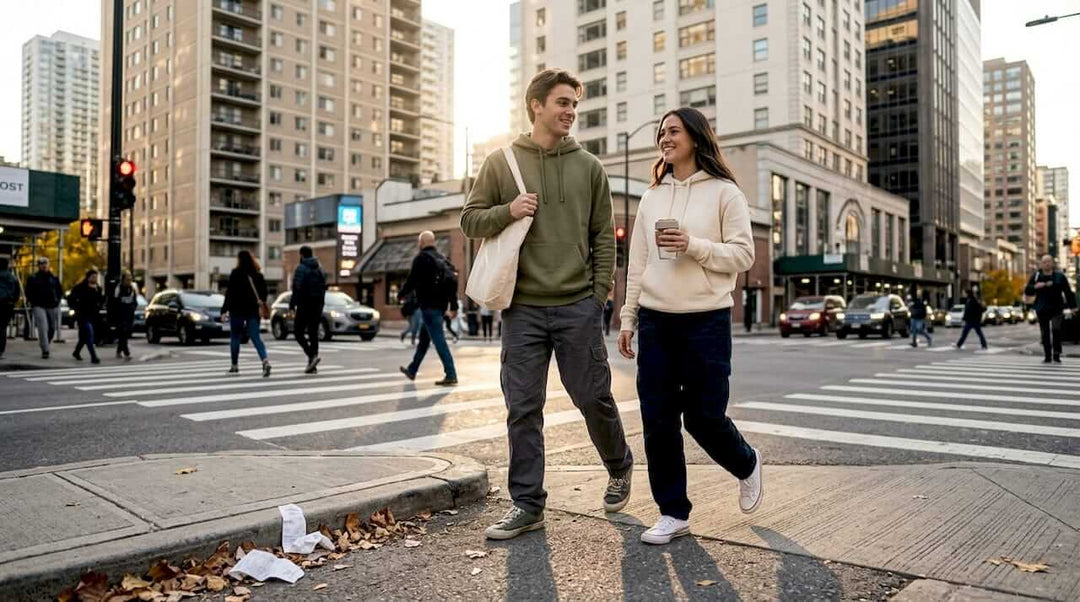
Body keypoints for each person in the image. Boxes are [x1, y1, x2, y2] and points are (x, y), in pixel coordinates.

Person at [462, 68, 634, 540]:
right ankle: (527, 504)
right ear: (536, 104)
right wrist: (508, 211)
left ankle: (619, 465)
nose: (570, 112)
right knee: (522, 407)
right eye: (562, 102)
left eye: (574, 105)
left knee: (592, 397)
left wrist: (598, 296)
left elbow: (605, 237)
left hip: (578, 304)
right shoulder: (501, 162)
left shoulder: (590, 167)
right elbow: (470, 221)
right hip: (523, 310)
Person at [616, 107, 762, 546]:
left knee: (704, 417)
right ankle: (673, 512)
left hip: (707, 321)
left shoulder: (725, 194)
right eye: (661, 131)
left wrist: (693, 245)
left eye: (673, 131)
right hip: (658, 322)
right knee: (658, 420)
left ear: (695, 138)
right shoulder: (652, 196)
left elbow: (743, 255)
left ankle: (747, 462)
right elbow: (637, 263)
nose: (664, 137)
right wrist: (628, 317)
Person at [398, 231, 458, 386]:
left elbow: (411, 280)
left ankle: (451, 374)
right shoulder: (443, 259)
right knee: (424, 340)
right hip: (440, 306)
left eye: (419, 242)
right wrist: (454, 306)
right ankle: (412, 370)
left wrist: (401, 295)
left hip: (428, 306)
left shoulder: (421, 259)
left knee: (439, 340)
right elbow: (452, 283)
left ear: (421, 243)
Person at [222, 250, 271, 376]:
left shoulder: (235, 273)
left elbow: (229, 293)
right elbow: (264, 293)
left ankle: (234, 365)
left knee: (235, 337)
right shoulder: (258, 275)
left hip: (237, 310)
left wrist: (224, 310)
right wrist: (261, 301)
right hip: (252, 310)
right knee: (255, 336)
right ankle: (265, 361)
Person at [1025, 254, 1076, 363]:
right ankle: (1047, 355)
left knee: (1056, 329)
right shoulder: (1036, 276)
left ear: (1052, 263)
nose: (1046, 264)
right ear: (1041, 264)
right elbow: (1027, 290)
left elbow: (1067, 292)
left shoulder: (1059, 276)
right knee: (1045, 333)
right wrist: (1035, 286)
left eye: (1048, 261)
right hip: (1041, 308)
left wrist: (1073, 307)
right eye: (1044, 262)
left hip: (1057, 308)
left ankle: (1056, 354)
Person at [290, 246, 327, 374]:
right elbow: (324, 287)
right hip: (317, 305)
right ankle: (312, 365)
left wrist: (292, 305)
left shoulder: (301, 268)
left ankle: (312, 356)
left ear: (301, 255)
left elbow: (296, 287)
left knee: (298, 332)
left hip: (304, 304)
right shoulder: (320, 268)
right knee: (313, 332)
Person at [25, 257, 64, 359]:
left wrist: (57, 301)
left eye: (45, 263)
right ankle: (45, 349)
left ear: (48, 264)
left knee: (52, 327)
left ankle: (46, 341)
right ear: (38, 266)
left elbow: (59, 290)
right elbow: (28, 291)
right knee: (43, 327)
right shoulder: (33, 278)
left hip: (52, 305)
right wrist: (32, 301)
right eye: (41, 263)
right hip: (39, 305)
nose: (43, 265)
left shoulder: (54, 277)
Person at [68, 269, 103, 364]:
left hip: (93, 316)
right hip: (82, 315)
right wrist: (75, 308)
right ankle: (93, 356)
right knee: (89, 334)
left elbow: (100, 300)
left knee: (84, 337)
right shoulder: (80, 287)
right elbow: (71, 299)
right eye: (92, 277)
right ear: (88, 277)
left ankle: (76, 352)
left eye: (95, 277)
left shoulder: (98, 288)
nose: (94, 279)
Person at [110, 271, 138, 360]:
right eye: (127, 278)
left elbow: (134, 300)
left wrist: (133, 308)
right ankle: (126, 353)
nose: (129, 280)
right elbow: (114, 301)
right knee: (123, 333)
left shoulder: (132, 288)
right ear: (123, 279)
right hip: (120, 315)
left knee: (125, 334)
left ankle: (118, 351)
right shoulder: (119, 288)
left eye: (130, 278)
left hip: (129, 314)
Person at [0, 257, 18, 360]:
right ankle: (1, 350)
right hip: (7, 305)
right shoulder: (12, 277)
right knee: (2, 328)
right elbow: (17, 293)